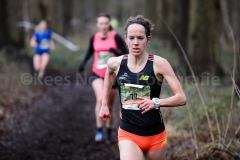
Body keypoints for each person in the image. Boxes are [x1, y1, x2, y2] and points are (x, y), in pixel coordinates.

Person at [99, 15, 186, 160]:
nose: (135, 43)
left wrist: (155, 102)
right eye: (131, 38)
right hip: (128, 133)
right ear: (125, 39)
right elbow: (108, 74)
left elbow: (181, 98)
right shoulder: (116, 63)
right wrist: (104, 104)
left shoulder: (160, 64)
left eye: (140, 38)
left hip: (156, 136)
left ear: (148, 40)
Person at [78, 12, 128, 143]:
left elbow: (126, 54)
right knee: (101, 99)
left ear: (109, 23)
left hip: (113, 75)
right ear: (97, 24)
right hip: (97, 73)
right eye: (101, 23)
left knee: (110, 105)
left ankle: (109, 130)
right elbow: (90, 50)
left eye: (106, 23)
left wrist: (116, 52)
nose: (104, 26)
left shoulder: (116, 37)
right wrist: (83, 62)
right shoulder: (94, 37)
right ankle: (99, 128)